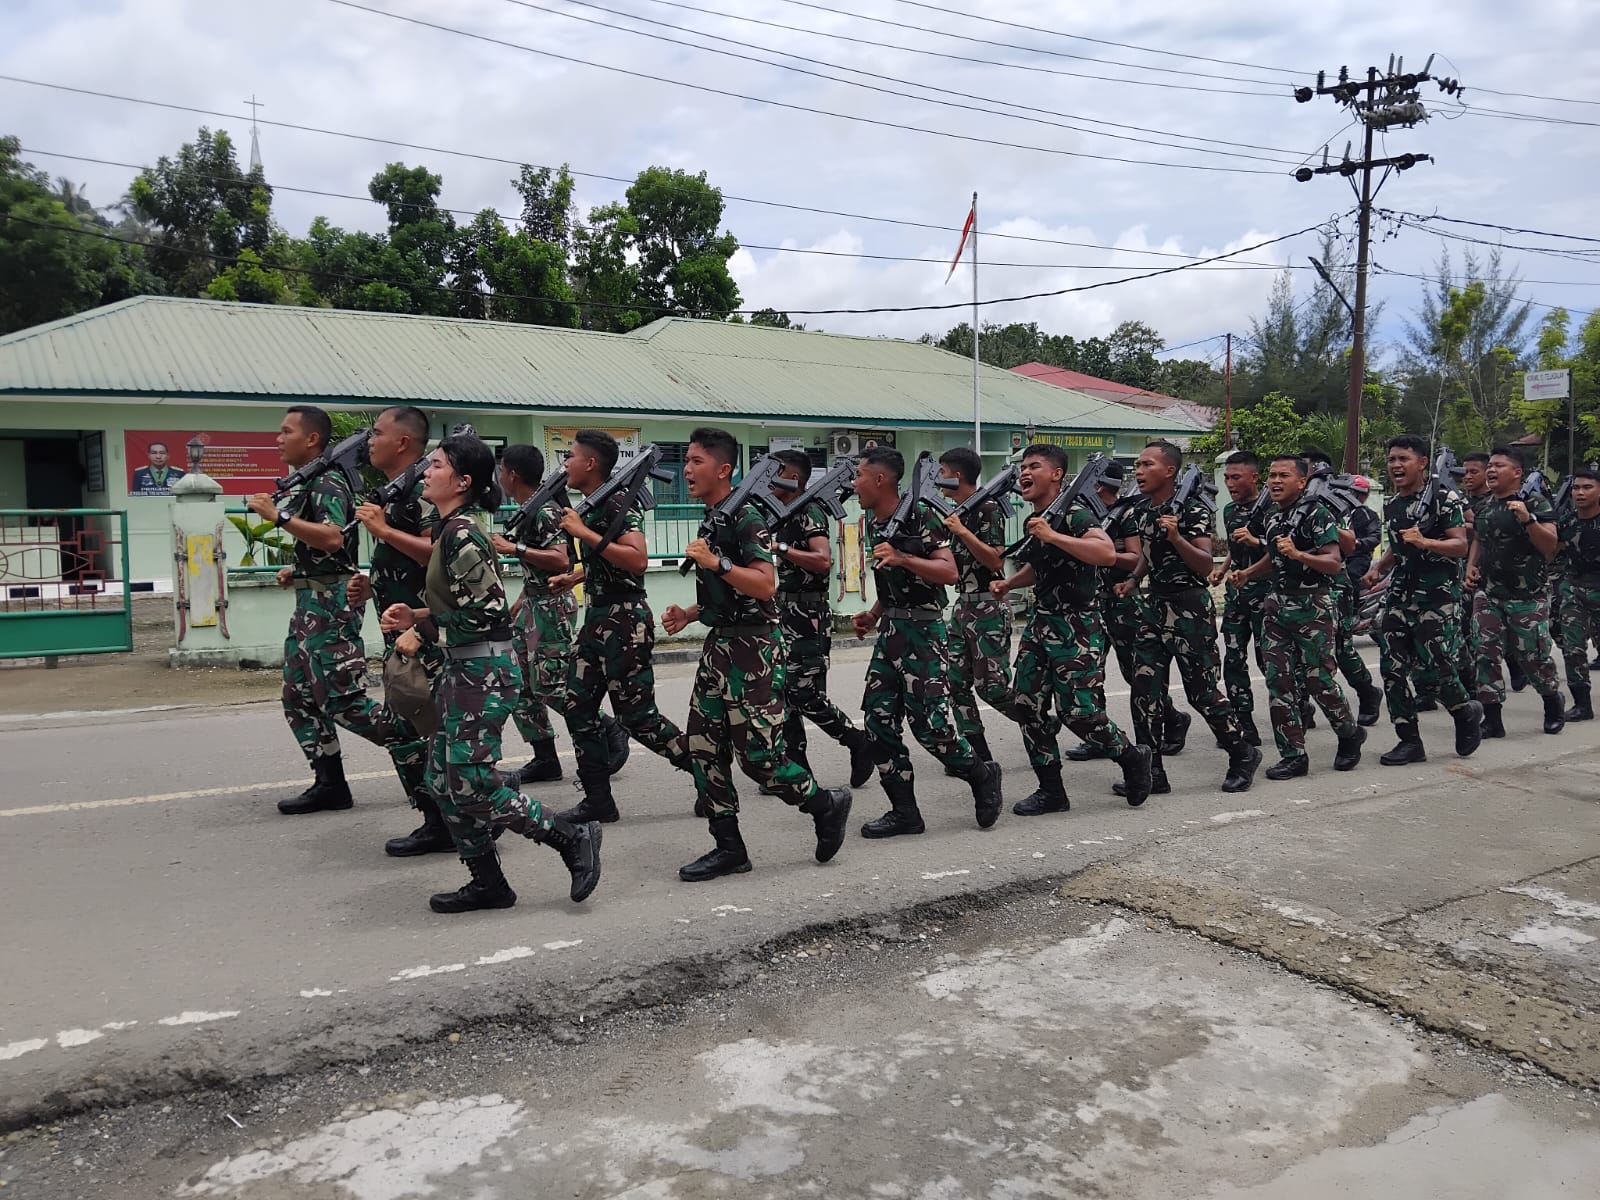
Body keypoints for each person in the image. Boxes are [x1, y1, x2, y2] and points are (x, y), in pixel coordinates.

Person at [379, 433, 601, 913]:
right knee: (442, 780)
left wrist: (427, 629)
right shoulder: (448, 530)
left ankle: (569, 834)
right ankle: (489, 884)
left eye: (435, 465)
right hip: (465, 668)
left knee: (469, 781)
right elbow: (463, 602)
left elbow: (488, 608)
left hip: (484, 670)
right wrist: (414, 617)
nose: (425, 472)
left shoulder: (463, 532)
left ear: (462, 481)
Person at [660, 429, 853, 881]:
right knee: (703, 749)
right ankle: (729, 848)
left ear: (723, 469)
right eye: (685, 460)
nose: (686, 469)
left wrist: (717, 564)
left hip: (755, 650)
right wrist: (690, 613)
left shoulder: (748, 518)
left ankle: (825, 804)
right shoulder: (715, 517)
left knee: (760, 759)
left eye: (696, 461)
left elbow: (765, 585)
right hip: (720, 644)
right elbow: (729, 589)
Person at [246, 406, 427, 816]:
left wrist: (280, 517)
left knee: (344, 700)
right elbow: (329, 548)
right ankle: (329, 783)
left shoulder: (328, 481)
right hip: (310, 602)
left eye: (286, 431)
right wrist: (302, 569)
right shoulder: (313, 480)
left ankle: (416, 744)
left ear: (311, 439)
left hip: (330, 607)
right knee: (298, 697)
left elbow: (331, 537)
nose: (278, 438)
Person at [990, 444, 1152, 814]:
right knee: (1027, 707)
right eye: (1022, 468)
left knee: (1078, 713)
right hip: (1041, 623)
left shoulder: (1075, 514)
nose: (1024, 474)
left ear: (1057, 474)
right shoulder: (1043, 517)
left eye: (1034, 466)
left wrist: (1053, 535)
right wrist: (1010, 584)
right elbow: (1043, 565)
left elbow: (1106, 554)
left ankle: (1130, 756)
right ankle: (1051, 791)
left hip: (1076, 626)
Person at [850, 447, 1003, 837]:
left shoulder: (921, 514)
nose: (854, 483)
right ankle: (905, 812)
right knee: (878, 724)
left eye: (860, 476)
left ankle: (982, 774)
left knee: (931, 727)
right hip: (892, 633)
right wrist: (873, 613)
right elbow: (890, 578)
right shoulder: (874, 521)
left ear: (880, 479)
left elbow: (948, 572)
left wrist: (903, 558)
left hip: (924, 633)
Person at [551, 430, 691, 824]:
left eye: (571, 457)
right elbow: (606, 559)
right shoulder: (592, 506)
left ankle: (707, 773)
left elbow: (637, 560)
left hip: (625, 621)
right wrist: (576, 577)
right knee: (577, 706)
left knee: (638, 717)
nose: (566, 465)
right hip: (597, 619)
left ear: (591, 463)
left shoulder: (615, 501)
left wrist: (583, 534)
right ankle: (598, 800)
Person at [1122, 441, 1261, 794]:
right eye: (1137, 464)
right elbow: (1149, 553)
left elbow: (1202, 564)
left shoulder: (1193, 510)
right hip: (1155, 605)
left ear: (1169, 471)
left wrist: (1176, 536)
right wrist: (1134, 578)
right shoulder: (1144, 510)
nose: (1138, 471)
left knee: (1201, 692)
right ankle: (1151, 772)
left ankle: (1242, 752)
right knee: (1144, 692)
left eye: (1147, 464)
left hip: (1189, 608)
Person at [490, 444, 629, 787]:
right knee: (520, 684)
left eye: (501, 470)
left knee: (551, 685)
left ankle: (608, 730)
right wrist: (520, 602)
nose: (499, 478)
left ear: (513, 474)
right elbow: (536, 569)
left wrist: (514, 548)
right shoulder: (527, 508)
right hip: (533, 604)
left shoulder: (545, 511)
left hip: (552, 608)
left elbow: (560, 559)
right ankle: (545, 757)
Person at [348, 406, 452, 856]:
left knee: (429, 729)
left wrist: (385, 533)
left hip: (428, 631)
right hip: (399, 631)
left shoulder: (423, 492)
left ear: (403, 442)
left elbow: (440, 554)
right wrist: (372, 583)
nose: (369, 441)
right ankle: (442, 818)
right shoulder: (392, 493)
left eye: (376, 433)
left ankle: (459, 819)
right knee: (411, 729)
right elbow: (402, 561)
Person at [1230, 455, 1364, 777]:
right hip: (1276, 608)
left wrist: (1299, 554)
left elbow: (1334, 562)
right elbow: (1273, 558)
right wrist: (1247, 573)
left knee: (1319, 681)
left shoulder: (1317, 514)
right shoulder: (1274, 518)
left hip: (1312, 608)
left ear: (1302, 482)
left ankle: (1349, 734)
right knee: (1279, 682)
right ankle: (1293, 755)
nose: (1275, 481)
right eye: (1272, 476)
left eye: (1284, 475)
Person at [1361, 434, 1483, 764]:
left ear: (1422, 463)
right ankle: (1409, 741)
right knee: (1392, 669)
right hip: (1400, 594)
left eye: (1403, 459)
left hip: (1438, 595)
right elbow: (1399, 544)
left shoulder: (1445, 498)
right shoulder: (1393, 503)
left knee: (1436, 666)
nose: (1396, 466)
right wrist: (1380, 568)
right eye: (1392, 460)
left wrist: (1426, 542)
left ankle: (1462, 711)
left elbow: (1460, 545)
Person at [1065, 463, 1190, 763]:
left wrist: (1101, 555)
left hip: (1124, 605)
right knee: (1090, 675)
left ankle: (1172, 717)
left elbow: (1135, 557)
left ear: (1099, 486)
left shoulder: (1126, 514)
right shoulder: (1084, 516)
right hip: (1092, 605)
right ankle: (1098, 735)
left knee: (1136, 674)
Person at [766, 450, 875, 789]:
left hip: (808, 615)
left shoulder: (808, 511)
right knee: (784, 694)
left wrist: (780, 549)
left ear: (792, 477)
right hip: (784, 610)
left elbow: (822, 561)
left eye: (774, 472)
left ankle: (856, 742)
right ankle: (797, 769)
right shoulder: (781, 513)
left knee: (805, 694)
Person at [1466, 447, 1565, 737]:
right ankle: (1493, 719)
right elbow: (1479, 540)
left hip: (1527, 596)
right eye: (1491, 466)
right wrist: (1471, 566)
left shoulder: (1535, 502)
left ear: (1517, 472)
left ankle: (1552, 701)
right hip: (1489, 593)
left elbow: (1549, 545)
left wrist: (1527, 519)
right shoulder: (1484, 506)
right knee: (1484, 652)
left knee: (1532, 657)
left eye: (1499, 466)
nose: (1492, 471)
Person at [937, 447, 1017, 768]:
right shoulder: (958, 513)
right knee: (954, 684)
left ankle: (1038, 723)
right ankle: (977, 755)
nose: (938, 479)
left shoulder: (987, 508)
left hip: (988, 608)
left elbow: (995, 559)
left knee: (993, 688)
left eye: (942, 473)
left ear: (957, 476)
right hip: (962, 608)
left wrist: (962, 531)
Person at [1301, 448, 1384, 727]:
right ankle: (1302, 709)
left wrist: (1331, 522)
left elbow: (1355, 544)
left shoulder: (1343, 506)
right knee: (1296, 651)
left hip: (1339, 581)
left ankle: (1367, 692)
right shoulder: (1294, 504)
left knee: (1340, 649)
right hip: (1303, 585)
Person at [1210, 451, 1270, 748]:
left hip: (1266, 594)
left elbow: (1282, 550)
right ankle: (1244, 724)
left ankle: (1295, 711)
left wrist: (1257, 541)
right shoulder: (1230, 510)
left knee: (1269, 661)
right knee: (1233, 659)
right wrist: (1221, 570)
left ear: (1254, 477)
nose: (1230, 483)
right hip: (1237, 595)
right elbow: (1235, 546)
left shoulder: (1272, 507)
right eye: (1227, 478)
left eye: (1236, 477)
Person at [1555, 470, 1600, 721]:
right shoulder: (1566, 521)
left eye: (1587, 487)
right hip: (1573, 589)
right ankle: (1582, 704)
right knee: (1572, 649)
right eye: (1576, 488)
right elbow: (1553, 550)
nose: (1580, 493)